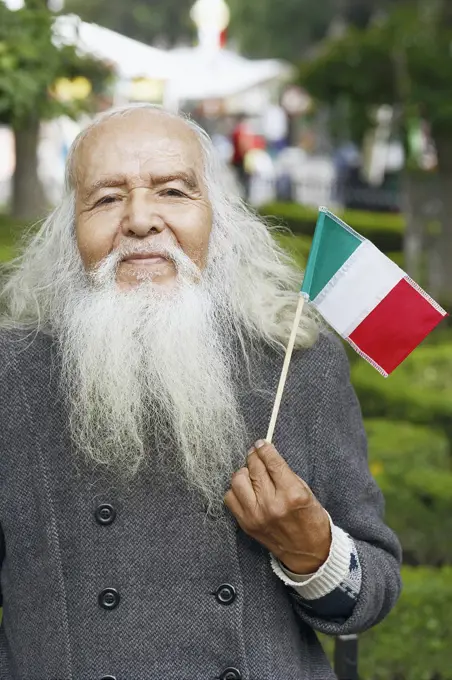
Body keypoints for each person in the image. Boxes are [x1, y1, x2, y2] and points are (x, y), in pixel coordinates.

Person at [0, 104, 402, 680]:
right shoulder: (12, 372)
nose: (140, 220)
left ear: (219, 218)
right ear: (69, 232)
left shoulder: (296, 360)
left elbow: (373, 593)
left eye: (171, 190)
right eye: (107, 198)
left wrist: (312, 552)